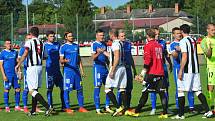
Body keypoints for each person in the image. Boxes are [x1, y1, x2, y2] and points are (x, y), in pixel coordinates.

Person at [172, 24, 213, 119]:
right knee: (198, 91)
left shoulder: (183, 41)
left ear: (182, 31)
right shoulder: (193, 40)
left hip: (187, 71)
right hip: (196, 70)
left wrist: (181, 70)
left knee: (180, 90)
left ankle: (181, 114)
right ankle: (208, 111)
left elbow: (185, 56)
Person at [125, 28, 168, 118]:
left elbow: (148, 60)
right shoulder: (159, 45)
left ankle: (136, 112)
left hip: (152, 73)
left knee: (145, 92)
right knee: (162, 93)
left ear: (147, 36)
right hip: (160, 72)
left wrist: (142, 73)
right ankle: (165, 113)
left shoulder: (148, 45)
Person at [15, 27, 54, 116]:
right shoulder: (42, 43)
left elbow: (25, 54)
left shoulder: (29, 42)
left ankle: (48, 107)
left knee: (31, 91)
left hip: (32, 68)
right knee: (35, 89)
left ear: (31, 34)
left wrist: (18, 64)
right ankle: (33, 111)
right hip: (40, 67)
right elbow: (45, 56)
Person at [59, 31, 88, 114]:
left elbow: (79, 59)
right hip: (68, 71)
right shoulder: (63, 47)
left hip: (76, 71)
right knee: (67, 90)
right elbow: (61, 60)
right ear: (66, 37)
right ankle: (68, 108)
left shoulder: (76, 46)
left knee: (80, 89)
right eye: (69, 36)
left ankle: (81, 107)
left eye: (72, 36)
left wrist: (82, 71)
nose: (72, 37)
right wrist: (65, 60)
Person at [169, 27, 195, 112]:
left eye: (179, 33)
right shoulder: (172, 44)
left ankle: (191, 107)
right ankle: (179, 108)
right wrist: (177, 50)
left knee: (190, 88)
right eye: (176, 33)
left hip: (188, 68)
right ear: (173, 35)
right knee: (179, 88)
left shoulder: (185, 41)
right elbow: (174, 56)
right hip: (178, 69)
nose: (179, 34)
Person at [149, 28, 173, 115]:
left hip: (163, 68)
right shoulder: (150, 44)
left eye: (158, 34)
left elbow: (166, 54)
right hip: (153, 69)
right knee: (153, 88)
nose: (157, 35)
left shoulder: (162, 42)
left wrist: (170, 63)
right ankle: (154, 108)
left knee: (165, 88)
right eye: (156, 34)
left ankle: (166, 108)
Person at [104, 29, 128, 116]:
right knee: (122, 89)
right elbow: (113, 55)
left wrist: (112, 70)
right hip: (122, 68)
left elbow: (116, 57)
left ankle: (118, 107)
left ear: (111, 35)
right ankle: (125, 109)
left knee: (107, 88)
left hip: (117, 68)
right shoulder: (121, 43)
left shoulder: (115, 44)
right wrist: (104, 52)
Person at [91, 29, 113, 114]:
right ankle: (97, 109)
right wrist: (99, 53)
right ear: (96, 36)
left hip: (105, 68)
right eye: (100, 35)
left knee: (109, 87)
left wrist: (109, 65)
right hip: (98, 68)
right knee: (98, 87)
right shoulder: (94, 44)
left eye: (103, 35)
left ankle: (107, 106)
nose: (102, 37)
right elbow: (93, 58)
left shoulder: (104, 44)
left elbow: (106, 57)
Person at [44, 31, 65, 110]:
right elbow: (43, 57)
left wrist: (63, 62)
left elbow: (60, 56)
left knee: (63, 88)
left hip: (57, 70)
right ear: (47, 37)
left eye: (53, 36)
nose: (52, 38)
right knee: (50, 89)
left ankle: (64, 106)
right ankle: (50, 106)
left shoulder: (57, 44)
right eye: (51, 36)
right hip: (50, 71)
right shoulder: (44, 46)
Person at [0, 39, 22, 112]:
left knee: (18, 89)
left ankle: (17, 106)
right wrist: (3, 75)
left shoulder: (14, 52)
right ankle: (7, 106)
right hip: (7, 75)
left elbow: (18, 63)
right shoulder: (2, 53)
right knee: (7, 89)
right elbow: (1, 65)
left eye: (10, 43)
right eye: (7, 43)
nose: (9, 45)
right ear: (4, 45)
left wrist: (20, 72)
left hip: (15, 75)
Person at [117, 29, 137, 108]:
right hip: (121, 69)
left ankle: (127, 106)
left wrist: (134, 69)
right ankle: (119, 106)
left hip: (128, 69)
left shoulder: (128, 44)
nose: (123, 37)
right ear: (118, 37)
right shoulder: (117, 45)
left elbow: (130, 57)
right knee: (121, 89)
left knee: (129, 88)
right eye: (122, 36)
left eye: (124, 36)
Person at [200, 23, 215, 113]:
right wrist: (209, 48)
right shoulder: (204, 41)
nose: (214, 31)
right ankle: (210, 107)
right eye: (212, 30)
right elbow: (208, 55)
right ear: (207, 30)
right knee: (211, 87)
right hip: (211, 66)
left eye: (214, 29)